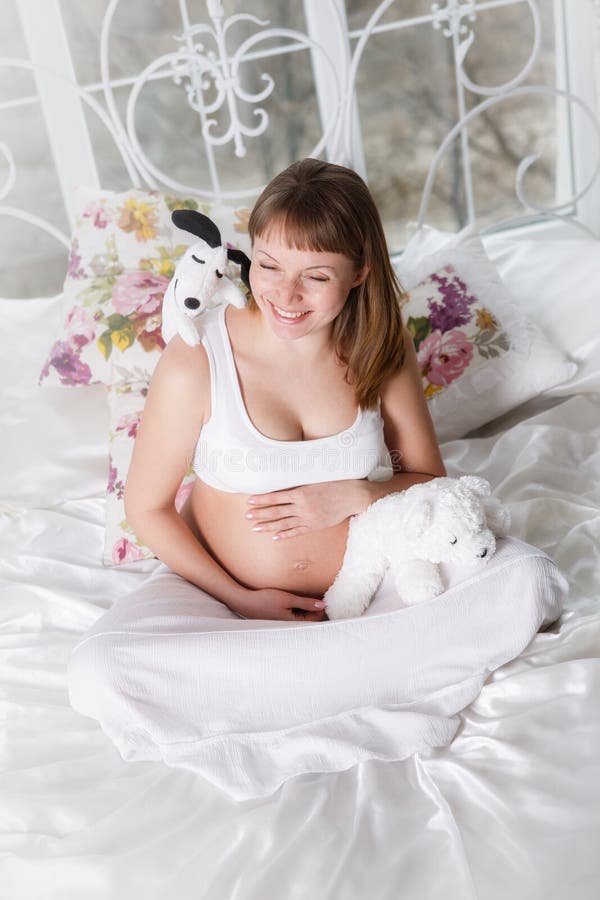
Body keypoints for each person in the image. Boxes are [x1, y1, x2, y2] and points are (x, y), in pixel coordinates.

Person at [123, 157, 447, 622]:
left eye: (316, 277)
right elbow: (147, 508)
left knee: (527, 577)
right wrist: (238, 598)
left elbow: (431, 481)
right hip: (223, 600)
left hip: (373, 592)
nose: (285, 295)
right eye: (269, 266)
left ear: (359, 272)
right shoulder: (198, 356)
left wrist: (358, 495)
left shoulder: (379, 345)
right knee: (106, 665)